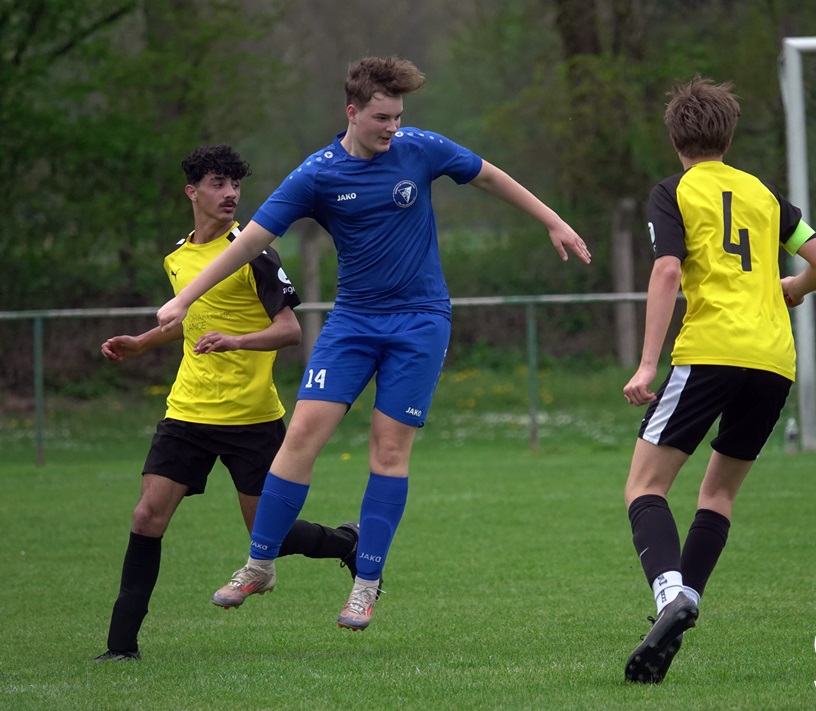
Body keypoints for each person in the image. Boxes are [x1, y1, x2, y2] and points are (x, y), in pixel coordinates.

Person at [155, 57, 591, 632]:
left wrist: (552, 219)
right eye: (382, 118)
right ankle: (259, 565)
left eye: (399, 116)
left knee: (388, 452)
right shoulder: (317, 174)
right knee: (301, 438)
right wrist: (185, 300)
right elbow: (249, 242)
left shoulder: (420, 149)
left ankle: (364, 585)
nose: (393, 128)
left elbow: (488, 175)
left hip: (420, 323)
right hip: (353, 323)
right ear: (352, 112)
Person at [95, 145, 360, 663]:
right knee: (147, 516)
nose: (230, 193)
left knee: (270, 536)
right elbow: (189, 323)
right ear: (192, 192)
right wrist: (141, 343)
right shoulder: (178, 258)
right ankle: (121, 647)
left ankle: (348, 542)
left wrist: (236, 341)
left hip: (251, 418)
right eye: (218, 183)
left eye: (235, 184)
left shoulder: (254, 252)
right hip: (187, 412)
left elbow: (289, 330)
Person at [620, 78, 816, 684]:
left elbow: (668, 272)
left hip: (711, 351)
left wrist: (647, 365)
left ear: (675, 139)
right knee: (717, 496)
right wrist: (791, 288)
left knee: (644, 486)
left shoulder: (673, 191)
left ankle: (671, 595)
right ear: (729, 137)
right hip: (773, 360)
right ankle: (683, 602)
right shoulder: (764, 195)